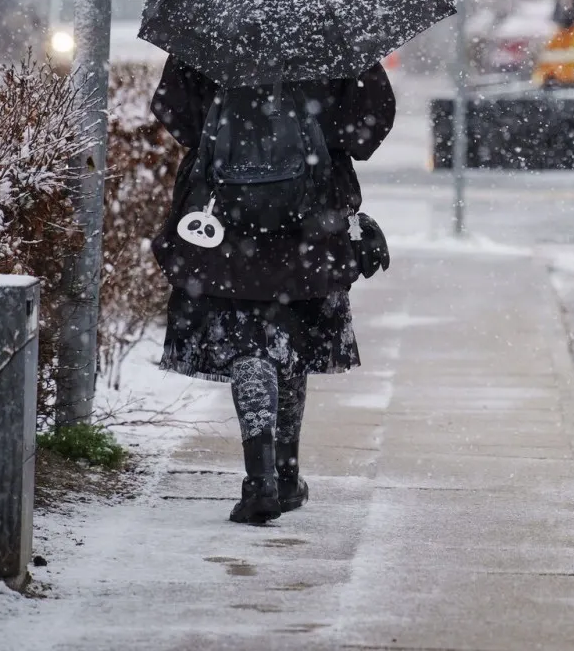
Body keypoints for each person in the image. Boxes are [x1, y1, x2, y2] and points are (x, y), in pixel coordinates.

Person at [151, 57, 394, 524]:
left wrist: (234, 141)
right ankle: (285, 475)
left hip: (224, 219)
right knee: (291, 336)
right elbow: (368, 127)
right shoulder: (330, 33)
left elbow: (174, 112)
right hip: (310, 221)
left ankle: (259, 478)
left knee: (247, 340)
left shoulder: (214, 27)